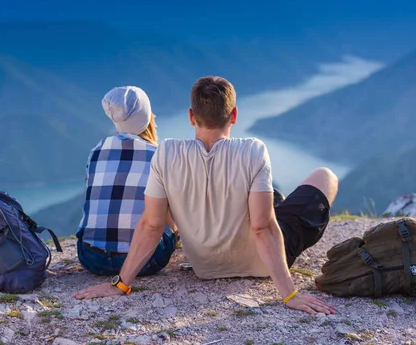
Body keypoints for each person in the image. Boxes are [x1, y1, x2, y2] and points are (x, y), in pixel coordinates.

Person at [73, 77, 337, 315]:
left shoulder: (165, 154)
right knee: (325, 176)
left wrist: (120, 284)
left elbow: (152, 225)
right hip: (262, 263)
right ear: (233, 116)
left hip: (206, 267)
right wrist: (289, 294)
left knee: (272, 201)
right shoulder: (254, 151)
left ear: (191, 116)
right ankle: (275, 204)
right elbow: (262, 227)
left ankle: (272, 202)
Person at [75, 86, 177, 278]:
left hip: (90, 257)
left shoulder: (97, 150)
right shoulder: (159, 155)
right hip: (146, 261)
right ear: (148, 116)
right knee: (167, 204)